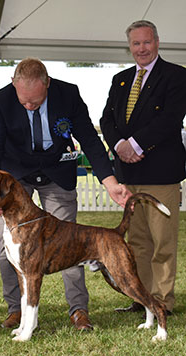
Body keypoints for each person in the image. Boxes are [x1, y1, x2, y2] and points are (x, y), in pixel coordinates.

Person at [0, 58, 131, 331]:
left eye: (36, 101)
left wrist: (109, 181)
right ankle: (17, 311)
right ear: (14, 84)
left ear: (47, 84)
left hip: (57, 173)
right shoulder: (0, 100)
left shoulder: (68, 94)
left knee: (70, 243)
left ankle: (78, 311)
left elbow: (89, 139)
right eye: (24, 101)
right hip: (16, 180)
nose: (29, 106)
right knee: (8, 249)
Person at [100, 20, 186, 316]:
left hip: (161, 174)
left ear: (157, 42)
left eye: (146, 42)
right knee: (136, 242)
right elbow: (106, 120)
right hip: (129, 175)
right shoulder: (121, 79)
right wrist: (119, 146)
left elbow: (170, 119)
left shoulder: (176, 76)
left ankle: (162, 302)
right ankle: (142, 299)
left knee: (162, 241)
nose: (141, 49)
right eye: (136, 44)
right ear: (130, 47)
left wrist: (134, 145)